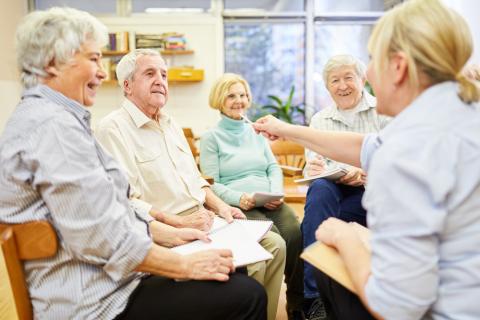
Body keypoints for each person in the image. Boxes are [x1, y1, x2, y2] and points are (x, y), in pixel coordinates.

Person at [0, 8, 267, 320]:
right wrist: (184, 264)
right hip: (98, 301)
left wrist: (174, 235)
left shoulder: (51, 119)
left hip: (112, 279)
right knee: (247, 295)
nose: (102, 72)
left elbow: (111, 214)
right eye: (93, 59)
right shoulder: (54, 129)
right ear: (52, 63)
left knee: (234, 269)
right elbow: (102, 239)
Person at [252, 0, 480, 318]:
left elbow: (395, 306)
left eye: (372, 60)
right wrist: (286, 130)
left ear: (399, 67)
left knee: (327, 256)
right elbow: (366, 145)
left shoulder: (406, 153)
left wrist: (344, 236)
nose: (368, 73)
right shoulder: (457, 114)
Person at [95, 50, 285, 320]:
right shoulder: (112, 129)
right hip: (167, 228)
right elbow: (126, 202)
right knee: (251, 264)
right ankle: (244, 309)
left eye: (163, 74)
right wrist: (177, 223)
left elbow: (197, 181)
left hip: (205, 216)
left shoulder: (171, 124)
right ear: (127, 85)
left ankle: (257, 314)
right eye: (150, 74)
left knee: (275, 245)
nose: (160, 80)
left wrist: (223, 208)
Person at [199, 73, 304, 320]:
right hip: (239, 203)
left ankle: (297, 304)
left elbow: (272, 167)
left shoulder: (255, 131)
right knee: (274, 240)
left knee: (296, 234)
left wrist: (276, 192)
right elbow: (212, 184)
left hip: (269, 198)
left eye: (243, 95)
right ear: (219, 100)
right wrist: (240, 198)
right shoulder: (211, 138)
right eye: (232, 95)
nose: (239, 100)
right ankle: (261, 311)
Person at [301, 54, 389, 316]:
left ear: (362, 79)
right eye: (335, 80)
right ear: (327, 87)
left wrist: (363, 171)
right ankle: (314, 298)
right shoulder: (320, 120)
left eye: (348, 77)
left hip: (370, 192)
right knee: (319, 190)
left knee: (316, 219)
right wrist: (315, 169)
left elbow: (393, 162)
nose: (342, 86)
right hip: (333, 190)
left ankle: (318, 296)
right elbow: (313, 164)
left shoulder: (382, 111)